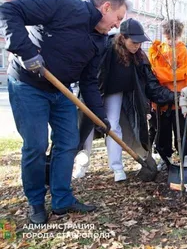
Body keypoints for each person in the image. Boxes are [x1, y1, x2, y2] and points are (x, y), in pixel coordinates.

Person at [0, 0, 129, 224]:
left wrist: (100, 117)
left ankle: (61, 200)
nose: (117, 26)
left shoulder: (99, 41)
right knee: (36, 146)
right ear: (106, 7)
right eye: (118, 18)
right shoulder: (61, 4)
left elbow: (89, 81)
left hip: (61, 91)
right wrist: (27, 52)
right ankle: (36, 203)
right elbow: (8, 11)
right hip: (28, 85)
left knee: (69, 143)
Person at [73, 18, 176, 181]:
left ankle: (117, 168)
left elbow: (151, 85)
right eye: (134, 42)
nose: (137, 45)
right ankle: (82, 165)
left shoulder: (139, 58)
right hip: (93, 91)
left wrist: (173, 96)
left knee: (113, 125)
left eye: (140, 42)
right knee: (86, 128)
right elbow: (90, 73)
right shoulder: (105, 48)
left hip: (116, 92)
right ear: (123, 38)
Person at [148, 19, 187, 171]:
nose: (171, 41)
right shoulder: (157, 50)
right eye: (168, 38)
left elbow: (185, 74)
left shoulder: (183, 51)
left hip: (179, 99)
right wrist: (171, 75)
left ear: (179, 36)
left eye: (174, 38)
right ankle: (166, 157)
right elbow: (153, 74)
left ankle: (184, 156)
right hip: (161, 101)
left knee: (181, 130)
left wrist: (167, 75)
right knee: (163, 132)